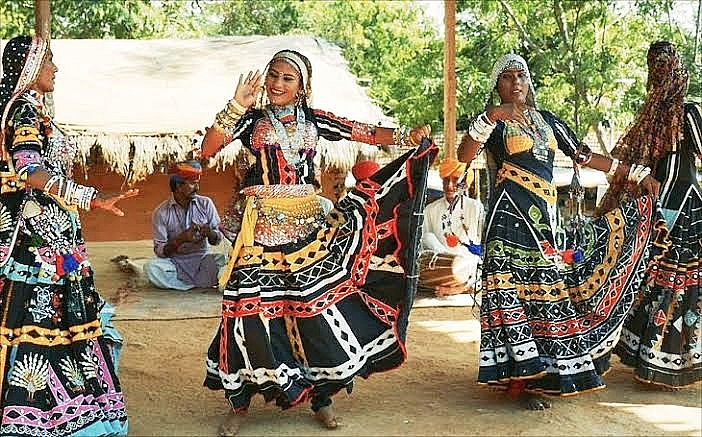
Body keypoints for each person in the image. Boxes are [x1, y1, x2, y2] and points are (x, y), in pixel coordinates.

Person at [199, 49, 434, 436]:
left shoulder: (316, 120)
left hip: (309, 231)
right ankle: (238, 405)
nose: (276, 84)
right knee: (246, 314)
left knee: (313, 312)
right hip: (259, 233)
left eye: (287, 79)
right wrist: (235, 105)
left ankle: (321, 398)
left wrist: (408, 136)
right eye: (273, 75)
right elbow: (207, 151)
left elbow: (367, 133)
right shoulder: (250, 121)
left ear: (302, 87)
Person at [457, 53, 661, 409]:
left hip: (546, 223)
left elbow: (583, 155)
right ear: (497, 86)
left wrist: (636, 174)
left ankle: (539, 376)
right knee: (512, 295)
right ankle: (517, 382)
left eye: (520, 75)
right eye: (506, 77)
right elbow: (464, 153)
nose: (515, 81)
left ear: (528, 81)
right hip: (509, 220)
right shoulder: (495, 124)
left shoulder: (548, 121)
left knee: (545, 297)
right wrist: (490, 117)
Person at [0, 35, 136, 435]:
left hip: (51, 235)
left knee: (49, 317)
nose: (55, 70)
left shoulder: (31, 112)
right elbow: (29, 171)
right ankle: (39, 415)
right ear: (29, 67)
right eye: (49, 62)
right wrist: (89, 198)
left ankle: (54, 409)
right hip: (36, 239)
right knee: (38, 317)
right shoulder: (24, 112)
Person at [595, 42, 702, 388]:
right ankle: (668, 361)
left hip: (654, 208)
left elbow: (640, 167)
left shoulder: (651, 114)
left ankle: (644, 357)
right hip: (685, 208)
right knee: (679, 283)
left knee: (648, 278)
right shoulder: (685, 112)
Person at [143, 160, 227, 290]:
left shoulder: (205, 204)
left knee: (226, 261)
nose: (197, 188)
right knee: (151, 268)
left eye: (197, 184)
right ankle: (195, 283)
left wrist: (209, 233)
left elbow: (218, 238)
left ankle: (180, 284)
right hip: (175, 263)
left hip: (202, 261)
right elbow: (160, 251)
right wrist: (181, 239)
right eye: (193, 184)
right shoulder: (161, 212)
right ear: (178, 186)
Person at [420, 157, 484, 296]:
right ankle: (454, 284)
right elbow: (424, 248)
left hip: (468, 269)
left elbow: (481, 249)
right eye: (446, 180)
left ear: (465, 184)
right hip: (440, 268)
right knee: (428, 237)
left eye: (455, 180)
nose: (449, 185)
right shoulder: (430, 209)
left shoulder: (475, 207)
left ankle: (461, 287)